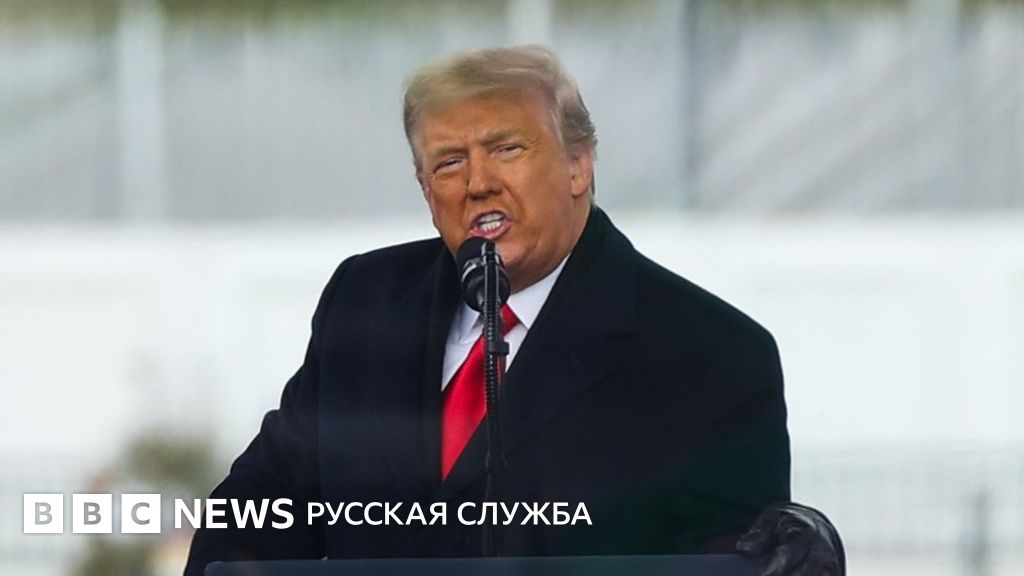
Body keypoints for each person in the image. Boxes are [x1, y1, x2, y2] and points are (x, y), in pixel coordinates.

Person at [185, 46, 843, 576]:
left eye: (507, 149)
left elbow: (732, 558)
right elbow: (259, 511)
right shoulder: (366, 301)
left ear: (579, 165)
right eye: (449, 162)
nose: (478, 183)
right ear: (426, 191)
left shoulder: (709, 353)